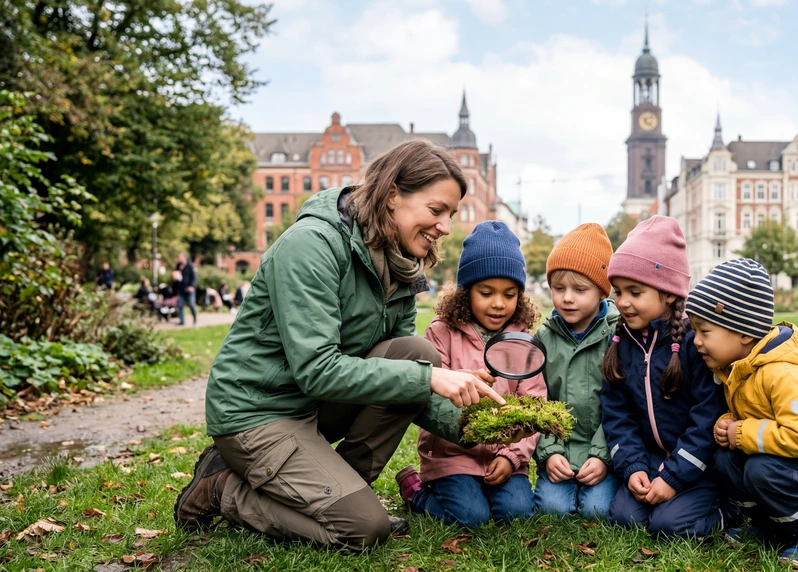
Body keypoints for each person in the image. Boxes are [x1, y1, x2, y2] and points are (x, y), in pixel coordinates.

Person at [173, 139, 507, 551]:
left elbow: (401, 368)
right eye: (436, 210)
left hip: (315, 406)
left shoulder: (399, 262)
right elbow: (316, 368)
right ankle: (221, 489)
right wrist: (432, 378)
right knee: (362, 530)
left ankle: (339, 493)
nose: (444, 226)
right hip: (258, 412)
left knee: (414, 353)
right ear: (390, 196)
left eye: (450, 215)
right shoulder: (311, 245)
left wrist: (477, 424)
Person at [685, 258, 798, 567]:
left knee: (761, 470)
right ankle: (772, 524)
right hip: (791, 459)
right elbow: (751, 413)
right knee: (725, 459)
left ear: (743, 332)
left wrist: (739, 433)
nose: (696, 341)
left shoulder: (785, 373)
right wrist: (727, 423)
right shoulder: (741, 368)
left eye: (704, 331)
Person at [396, 222, 544, 528]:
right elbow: (433, 389)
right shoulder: (441, 332)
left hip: (504, 454)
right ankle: (417, 492)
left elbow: (535, 400)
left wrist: (512, 456)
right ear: (467, 292)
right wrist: (466, 377)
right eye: (486, 292)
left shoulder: (522, 338)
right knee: (470, 517)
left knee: (515, 514)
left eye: (510, 293)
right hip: (453, 456)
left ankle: (498, 478)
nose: (498, 303)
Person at [600, 215, 728, 540]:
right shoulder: (621, 343)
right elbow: (617, 415)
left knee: (667, 526)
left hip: (697, 467)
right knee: (624, 516)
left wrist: (673, 478)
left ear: (669, 293)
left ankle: (729, 510)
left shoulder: (692, 343)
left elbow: (706, 418)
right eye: (618, 291)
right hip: (650, 461)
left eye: (635, 291)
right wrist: (633, 468)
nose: (623, 302)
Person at [532, 223, 619, 519]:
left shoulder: (617, 336)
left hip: (602, 448)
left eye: (580, 289)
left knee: (597, 510)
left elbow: (622, 405)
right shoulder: (544, 338)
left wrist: (603, 456)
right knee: (552, 509)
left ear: (601, 291)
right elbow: (537, 402)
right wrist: (549, 452)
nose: (567, 298)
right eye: (559, 288)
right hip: (559, 451)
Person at [175, 253, 198, 326]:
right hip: (181, 289)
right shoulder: (178, 266)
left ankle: (194, 318)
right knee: (180, 305)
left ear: (184, 258)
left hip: (189, 289)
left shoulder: (190, 266)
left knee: (191, 304)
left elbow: (194, 277)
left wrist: (191, 286)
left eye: (180, 257)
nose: (179, 259)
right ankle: (182, 321)